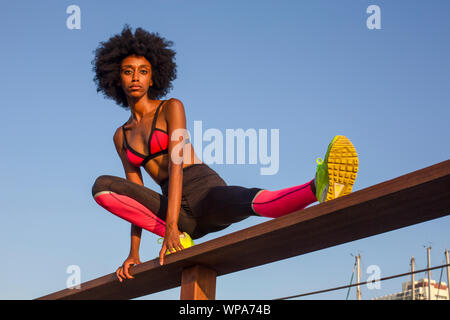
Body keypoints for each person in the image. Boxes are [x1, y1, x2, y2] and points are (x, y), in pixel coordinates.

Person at [90, 25, 359, 282]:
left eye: (143, 71)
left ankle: (319, 186)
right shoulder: (121, 136)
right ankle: (181, 235)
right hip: (175, 210)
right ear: (117, 78)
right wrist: (133, 253)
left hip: (205, 191)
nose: (136, 77)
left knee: (256, 201)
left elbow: (176, 163)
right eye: (128, 71)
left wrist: (171, 227)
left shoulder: (171, 107)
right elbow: (133, 199)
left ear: (153, 77)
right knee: (103, 187)